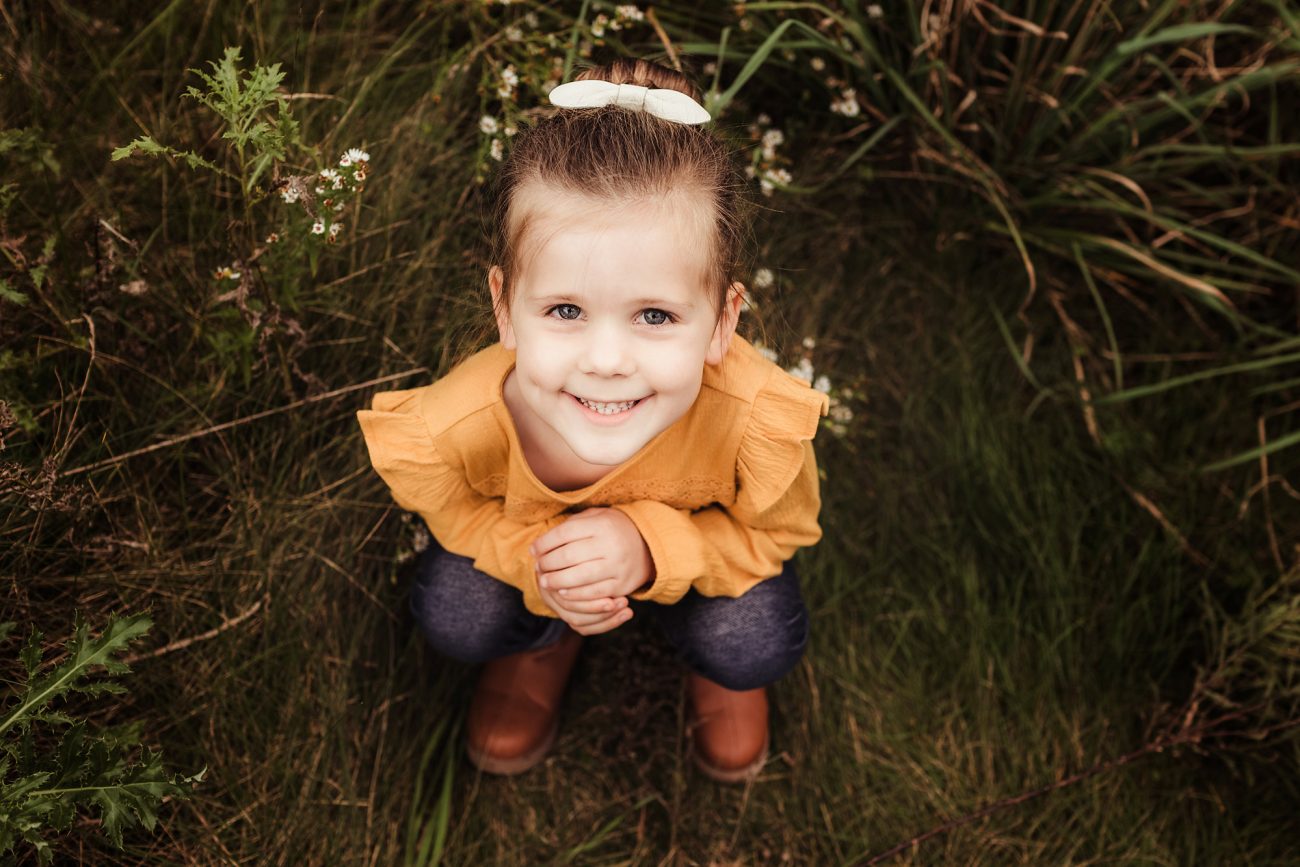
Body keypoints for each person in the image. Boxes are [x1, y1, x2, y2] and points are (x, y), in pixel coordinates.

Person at [356, 58, 830, 783]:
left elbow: (779, 534)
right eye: (566, 310)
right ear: (504, 306)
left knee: (754, 636)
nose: (607, 360)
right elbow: (453, 513)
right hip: (543, 573)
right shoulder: (454, 424)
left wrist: (649, 549)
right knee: (453, 608)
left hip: (700, 561)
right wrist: (546, 575)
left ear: (721, 322)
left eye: (655, 315)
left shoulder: (754, 419)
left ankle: (714, 666)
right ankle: (544, 637)